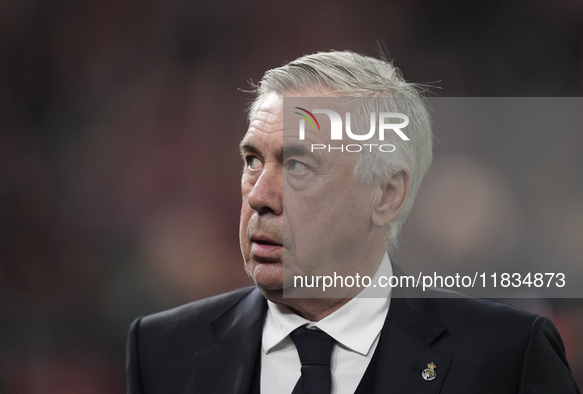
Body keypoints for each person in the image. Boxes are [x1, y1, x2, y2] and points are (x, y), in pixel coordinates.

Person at [126, 51, 580, 394]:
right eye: (252, 161)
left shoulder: (506, 356)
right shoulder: (163, 349)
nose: (260, 195)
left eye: (298, 166)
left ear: (386, 194)